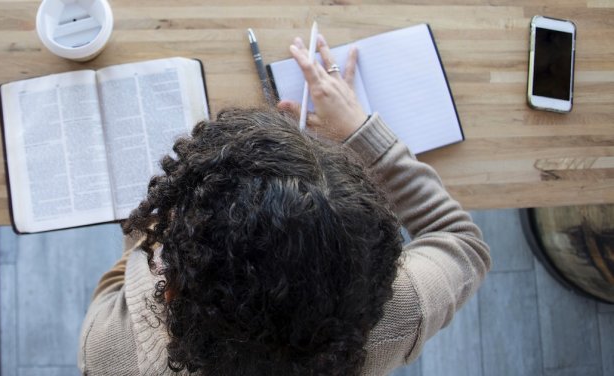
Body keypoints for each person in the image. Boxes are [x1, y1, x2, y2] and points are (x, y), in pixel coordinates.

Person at [78, 34, 490, 376]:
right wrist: (360, 136)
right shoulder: (397, 316)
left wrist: (147, 234)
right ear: (377, 272)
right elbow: (462, 242)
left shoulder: (108, 356)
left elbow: (113, 288)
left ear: (170, 290)